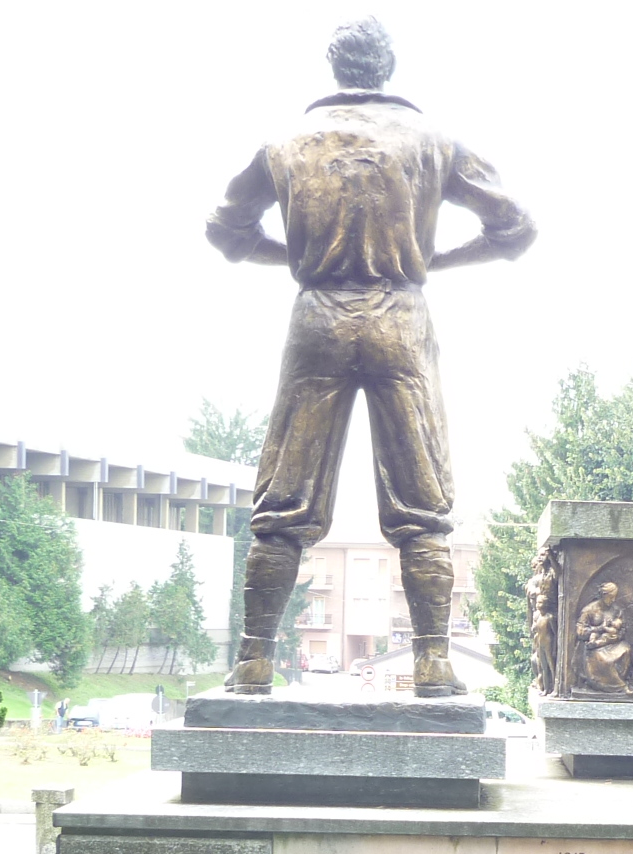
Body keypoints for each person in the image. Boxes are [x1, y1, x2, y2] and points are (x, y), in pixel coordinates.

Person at [206, 18, 535, 697]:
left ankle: (252, 661)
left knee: (283, 497)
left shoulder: (283, 145)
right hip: (400, 317)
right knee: (423, 503)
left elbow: (226, 231)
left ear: (335, 69)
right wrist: (431, 261)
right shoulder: (434, 142)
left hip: (317, 317)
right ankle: (435, 664)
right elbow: (514, 229)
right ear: (386, 68)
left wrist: (296, 261)